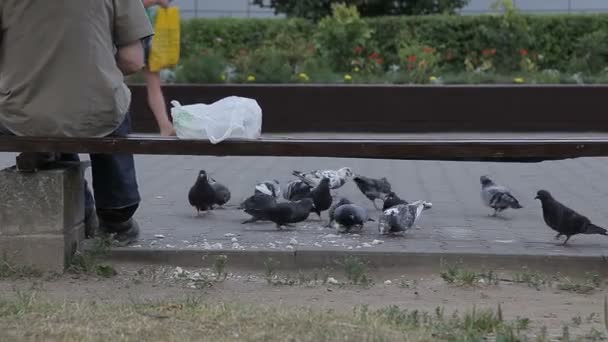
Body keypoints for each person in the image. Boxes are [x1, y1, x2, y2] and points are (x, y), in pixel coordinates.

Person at [0, 0, 155, 246]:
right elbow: (132, 61)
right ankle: (117, 218)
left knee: (51, 118)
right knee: (109, 103)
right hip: (96, 108)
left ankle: (79, 208)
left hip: (23, 113)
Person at [142, 0, 176, 136]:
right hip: (128, 35)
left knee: (154, 83)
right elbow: (130, 5)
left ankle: (165, 125)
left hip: (144, 34)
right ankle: (165, 125)